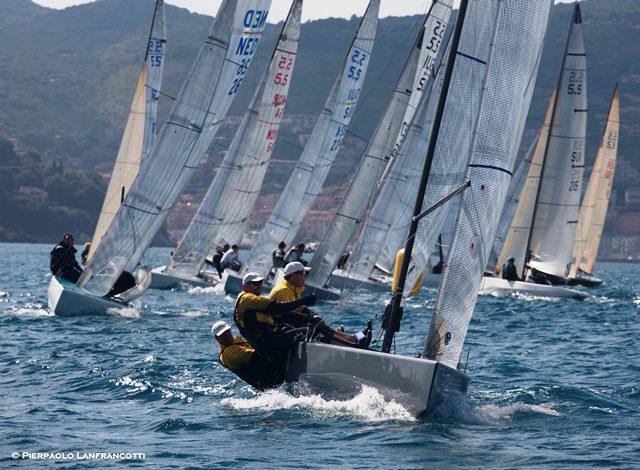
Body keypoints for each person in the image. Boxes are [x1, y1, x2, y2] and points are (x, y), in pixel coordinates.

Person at [269, 262, 372, 347]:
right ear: (294, 275)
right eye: (303, 273)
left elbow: (300, 309)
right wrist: (309, 319)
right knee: (316, 328)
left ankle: (354, 338)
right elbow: (285, 316)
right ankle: (353, 345)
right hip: (281, 329)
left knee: (319, 324)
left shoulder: (291, 288)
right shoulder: (282, 291)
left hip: (291, 323)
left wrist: (313, 315)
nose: (305, 277)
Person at [234, 272, 317, 359]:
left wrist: (307, 318)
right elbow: (277, 308)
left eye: (261, 283)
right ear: (245, 286)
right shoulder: (248, 299)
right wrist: (304, 301)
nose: (259, 286)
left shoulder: (247, 299)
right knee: (310, 331)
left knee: (298, 328)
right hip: (268, 345)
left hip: (267, 342)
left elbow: (279, 315)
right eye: (255, 283)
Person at [212, 320, 283, 390]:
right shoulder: (229, 352)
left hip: (270, 373)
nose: (226, 335)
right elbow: (255, 355)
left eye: (227, 331)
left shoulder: (235, 340)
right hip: (271, 379)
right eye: (222, 335)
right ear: (216, 338)